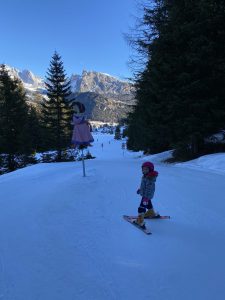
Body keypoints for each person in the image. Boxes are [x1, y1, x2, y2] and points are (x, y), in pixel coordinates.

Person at [135, 161, 159, 228]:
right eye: (143, 169)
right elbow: (144, 186)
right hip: (145, 195)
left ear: (150, 169)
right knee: (148, 203)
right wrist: (140, 190)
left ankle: (140, 221)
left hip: (146, 196)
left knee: (141, 207)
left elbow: (149, 189)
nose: (144, 170)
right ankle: (151, 213)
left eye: (146, 169)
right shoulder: (146, 176)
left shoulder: (150, 178)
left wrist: (146, 197)